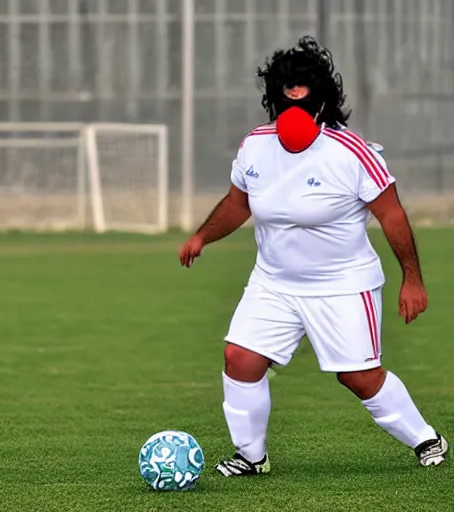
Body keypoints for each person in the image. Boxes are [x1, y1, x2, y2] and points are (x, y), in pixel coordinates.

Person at [178, 36, 448, 476]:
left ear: (322, 101)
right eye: (285, 96)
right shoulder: (255, 146)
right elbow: (236, 203)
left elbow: (392, 215)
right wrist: (201, 237)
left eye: (304, 95)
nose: (294, 110)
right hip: (274, 282)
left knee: (358, 376)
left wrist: (412, 279)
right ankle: (251, 456)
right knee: (239, 358)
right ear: (274, 99)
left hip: (343, 284)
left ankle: (426, 438)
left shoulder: (352, 154)